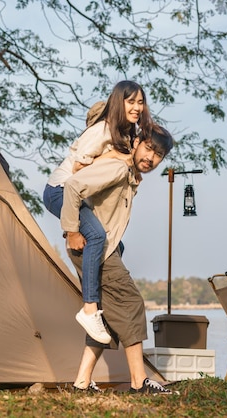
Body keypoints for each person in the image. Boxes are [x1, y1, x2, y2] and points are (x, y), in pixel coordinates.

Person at [61, 125, 176, 394]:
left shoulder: (129, 174)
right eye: (148, 148)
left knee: (108, 316)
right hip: (93, 248)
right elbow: (73, 186)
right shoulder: (117, 168)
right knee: (130, 303)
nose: (151, 157)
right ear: (135, 143)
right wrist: (72, 231)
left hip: (103, 248)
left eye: (158, 155)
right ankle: (139, 382)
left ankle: (81, 383)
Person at [43, 81, 153, 345]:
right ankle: (90, 307)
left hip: (77, 196)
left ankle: (98, 293)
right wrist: (71, 231)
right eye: (131, 102)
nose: (137, 107)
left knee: (117, 245)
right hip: (60, 190)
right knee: (96, 236)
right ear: (118, 102)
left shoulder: (124, 135)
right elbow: (80, 169)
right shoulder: (102, 129)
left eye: (140, 102)